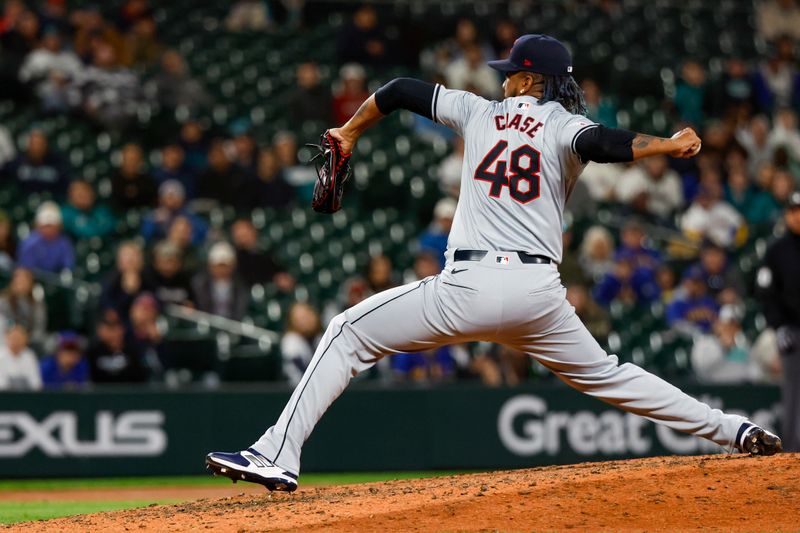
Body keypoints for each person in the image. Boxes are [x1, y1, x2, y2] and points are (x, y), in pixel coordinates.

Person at [207, 34, 780, 493]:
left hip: (470, 286)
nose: (503, 77)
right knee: (610, 374)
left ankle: (276, 453)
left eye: (512, 70)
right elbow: (608, 142)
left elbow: (402, 89)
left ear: (529, 79)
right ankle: (734, 429)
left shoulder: (479, 111)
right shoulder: (563, 125)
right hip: (539, 294)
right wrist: (665, 145)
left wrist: (350, 131)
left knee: (347, 331)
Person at [757, 191, 800, 452]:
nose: (798, 216)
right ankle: (794, 456)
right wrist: (778, 326)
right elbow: (765, 292)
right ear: (786, 215)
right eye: (794, 211)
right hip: (792, 331)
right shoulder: (776, 250)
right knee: (793, 396)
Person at [691, 304, 760, 384]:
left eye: (734, 325)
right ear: (718, 324)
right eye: (727, 324)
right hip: (713, 390)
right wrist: (723, 346)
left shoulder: (744, 345)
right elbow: (701, 369)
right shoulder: (704, 342)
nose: (730, 328)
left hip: (740, 390)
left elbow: (755, 373)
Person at [1, 128, 69, 196]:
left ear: (46, 145)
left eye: (40, 144)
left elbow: (65, 185)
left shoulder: (57, 162)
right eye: (34, 144)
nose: (37, 148)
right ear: (28, 145)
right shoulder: (17, 163)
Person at [230, 218, 294, 291]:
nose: (242, 238)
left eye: (245, 234)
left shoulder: (268, 250)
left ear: (253, 231)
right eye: (239, 235)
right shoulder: (236, 260)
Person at [191, 241, 249, 320]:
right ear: (210, 266)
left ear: (233, 266)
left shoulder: (240, 285)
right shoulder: (199, 284)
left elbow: (240, 310)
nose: (221, 270)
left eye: (224, 265)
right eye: (218, 265)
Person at [86, 312, 148, 384]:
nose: (112, 333)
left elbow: (141, 380)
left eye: (114, 328)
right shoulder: (93, 351)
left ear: (121, 329)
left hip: (128, 393)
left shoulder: (133, 350)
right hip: (100, 394)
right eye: (108, 328)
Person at [16, 201, 75, 273]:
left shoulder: (64, 243)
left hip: (56, 281)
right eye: (46, 226)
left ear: (59, 227)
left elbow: (68, 264)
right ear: (38, 226)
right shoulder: (29, 244)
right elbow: (25, 268)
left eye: (51, 226)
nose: (49, 230)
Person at [0, 267, 47, 346]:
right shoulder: (3, 300)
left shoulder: (37, 303)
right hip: (6, 341)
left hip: (29, 343)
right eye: (17, 280)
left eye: (24, 280)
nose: (20, 283)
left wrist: (25, 339)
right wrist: (13, 335)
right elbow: (3, 322)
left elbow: (39, 328)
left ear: (30, 283)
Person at [281, 302, 322, 386]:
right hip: (295, 392)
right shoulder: (291, 341)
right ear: (292, 321)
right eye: (301, 318)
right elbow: (301, 377)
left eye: (307, 316)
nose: (305, 321)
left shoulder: (320, 337)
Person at [111, 143, 158, 210]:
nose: (131, 163)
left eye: (134, 160)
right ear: (122, 160)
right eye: (128, 159)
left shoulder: (148, 181)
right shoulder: (114, 180)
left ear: (140, 161)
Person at [0, 325, 41, 391]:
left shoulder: (30, 356)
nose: (16, 341)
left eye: (19, 337)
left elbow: (36, 384)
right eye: (14, 337)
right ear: (7, 337)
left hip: (27, 397)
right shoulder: (0, 356)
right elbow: (2, 385)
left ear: (25, 339)